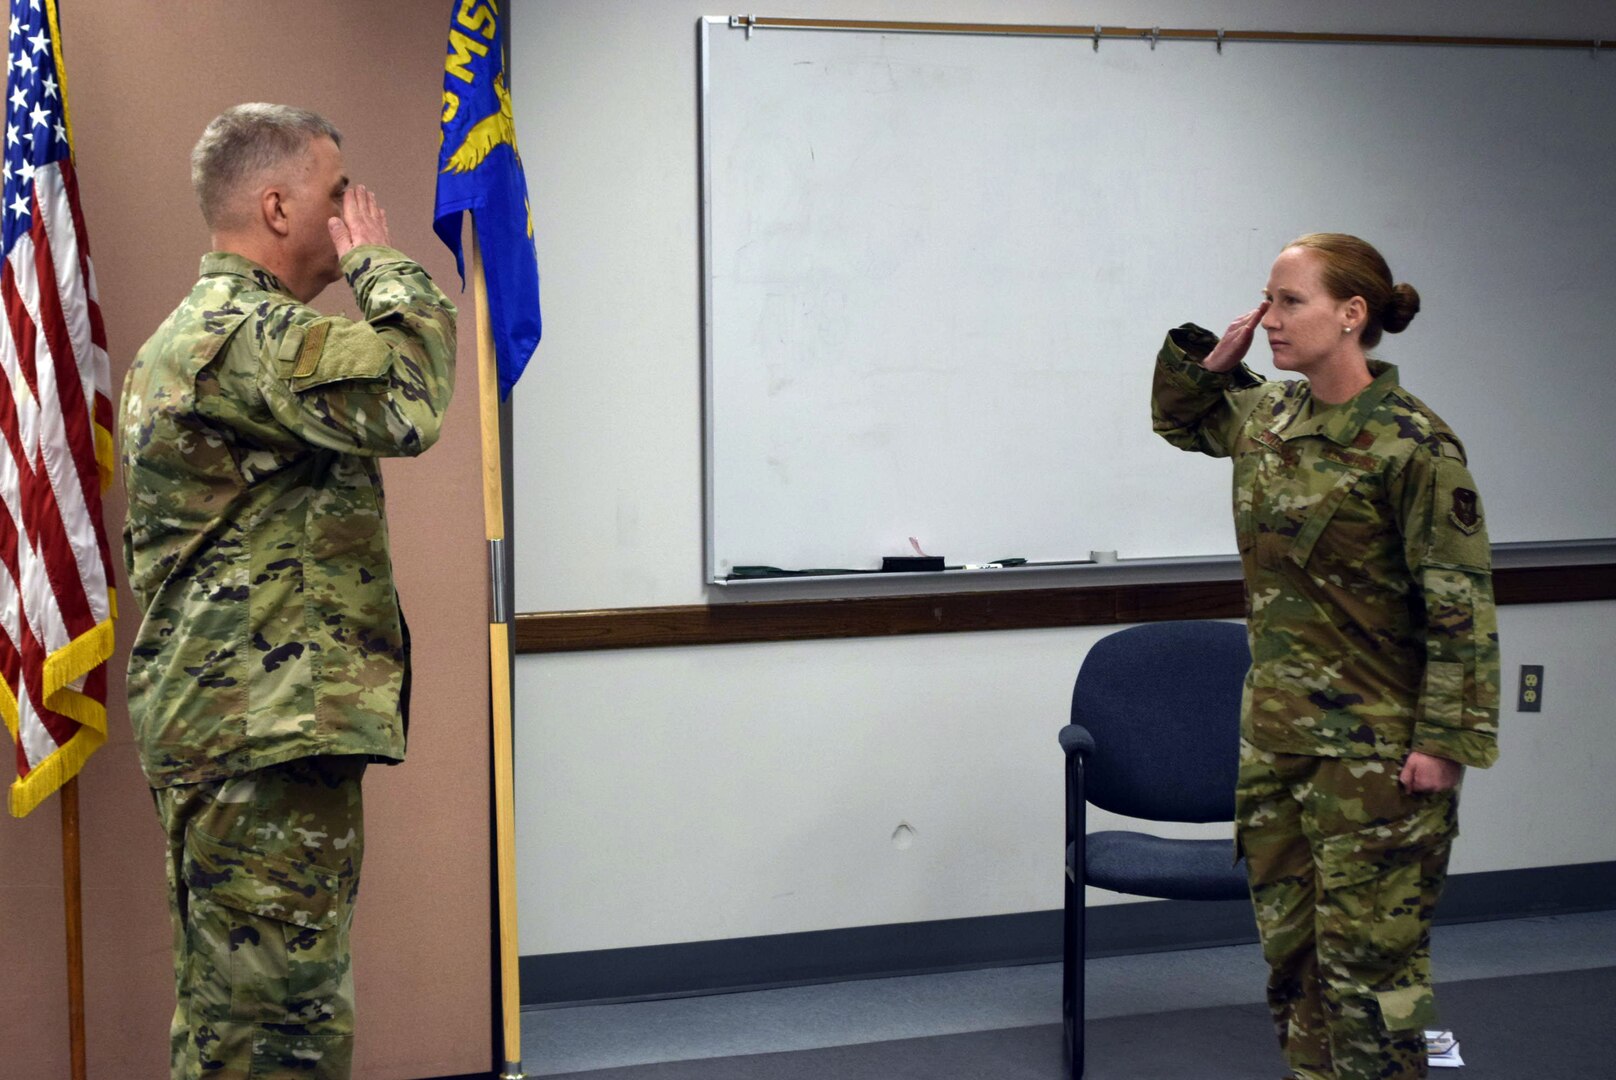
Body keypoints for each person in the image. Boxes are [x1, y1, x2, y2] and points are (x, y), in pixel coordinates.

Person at [120, 104, 457, 1079]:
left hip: (237, 731)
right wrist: (381, 267)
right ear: (276, 207)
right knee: (279, 1039)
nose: (354, 210)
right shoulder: (249, 337)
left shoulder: (194, 339)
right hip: (257, 735)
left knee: (233, 1024)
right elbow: (410, 386)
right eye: (337, 192)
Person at [1150, 233, 1499, 1080]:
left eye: (1290, 301)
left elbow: (1460, 608)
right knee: (1295, 964)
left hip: (1379, 761)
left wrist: (1445, 746)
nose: (1270, 318)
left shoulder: (1415, 444)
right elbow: (1179, 419)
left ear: (1352, 315)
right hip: (1278, 746)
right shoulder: (1269, 415)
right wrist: (1210, 359)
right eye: (1266, 299)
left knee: (1379, 977)